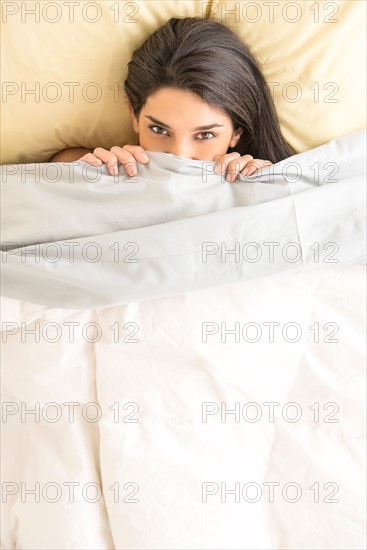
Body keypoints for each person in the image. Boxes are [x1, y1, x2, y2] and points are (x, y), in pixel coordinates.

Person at [51, 16, 294, 182]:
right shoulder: (112, 170)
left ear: (236, 133)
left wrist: (272, 189)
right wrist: (78, 171)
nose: (178, 156)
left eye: (205, 135)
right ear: (134, 116)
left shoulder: (276, 182)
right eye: (158, 129)